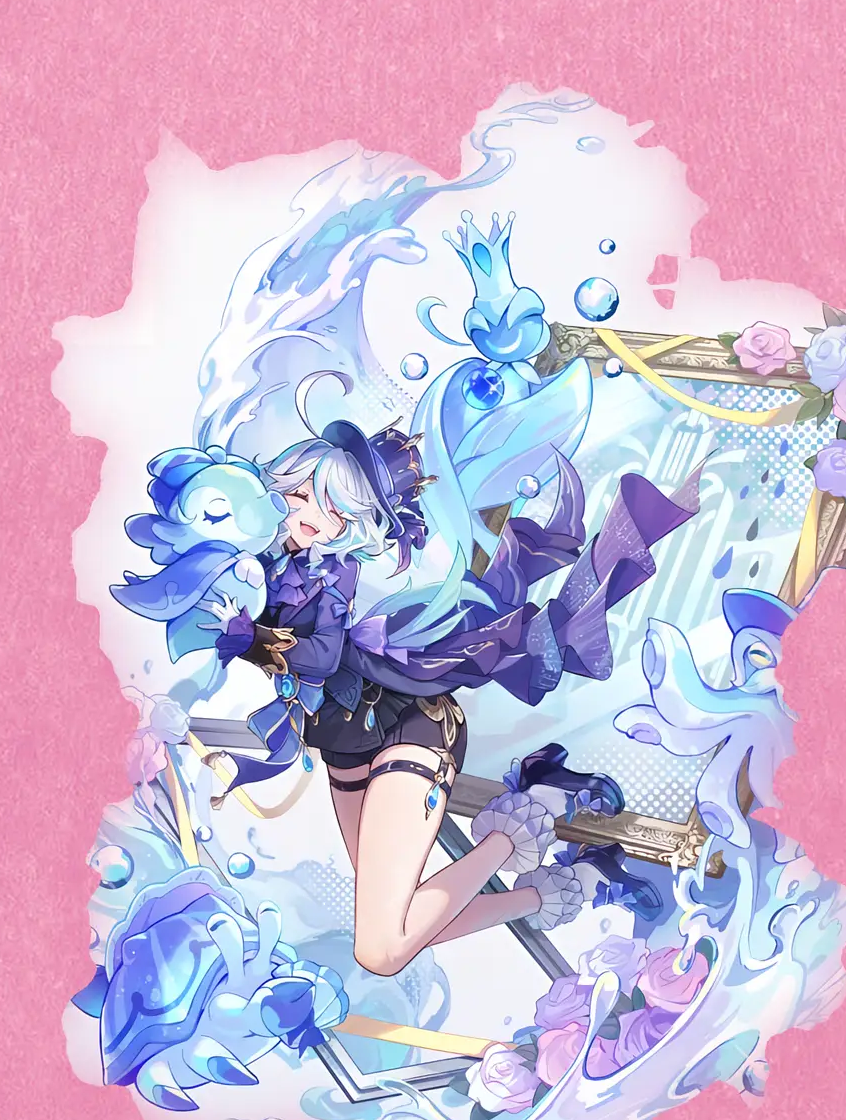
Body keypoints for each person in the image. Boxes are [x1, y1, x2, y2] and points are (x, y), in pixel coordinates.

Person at [116, 415, 698, 976]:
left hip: (409, 727)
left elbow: (320, 657)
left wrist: (249, 637)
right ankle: (558, 886)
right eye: (300, 496)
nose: (314, 516)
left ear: (355, 524)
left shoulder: (330, 578)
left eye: (336, 510)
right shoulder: (256, 565)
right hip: (343, 746)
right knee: (398, 926)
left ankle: (525, 821)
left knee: (381, 949)